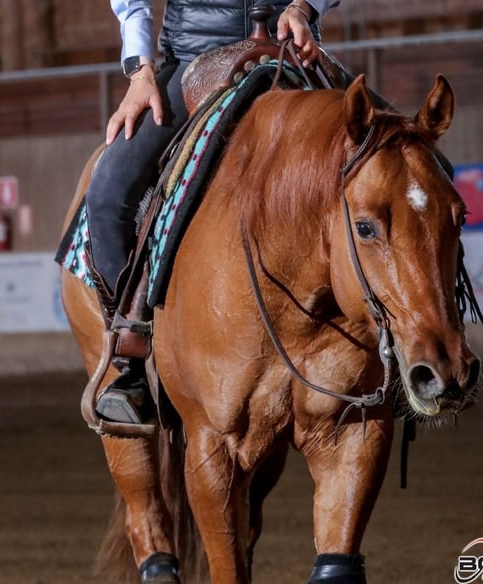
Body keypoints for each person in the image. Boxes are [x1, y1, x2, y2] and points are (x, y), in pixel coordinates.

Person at [85, 0, 341, 432]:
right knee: (108, 193)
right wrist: (140, 71)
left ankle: (406, 344)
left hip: (292, 50)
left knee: (412, 162)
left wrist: (303, 7)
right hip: (195, 58)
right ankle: (133, 362)